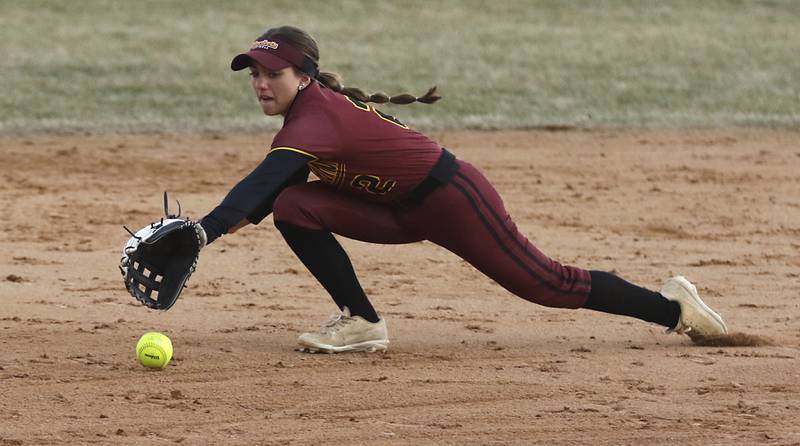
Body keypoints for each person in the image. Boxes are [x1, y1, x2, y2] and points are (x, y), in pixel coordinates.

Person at [199, 25, 728, 353]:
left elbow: (256, 185)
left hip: (451, 199)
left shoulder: (315, 120)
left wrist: (200, 234)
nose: (261, 84)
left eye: (273, 72)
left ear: (305, 76)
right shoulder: (304, 124)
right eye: (254, 74)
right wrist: (208, 232)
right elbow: (271, 197)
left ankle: (672, 307)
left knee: (546, 284)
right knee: (296, 205)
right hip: (396, 210)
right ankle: (362, 323)